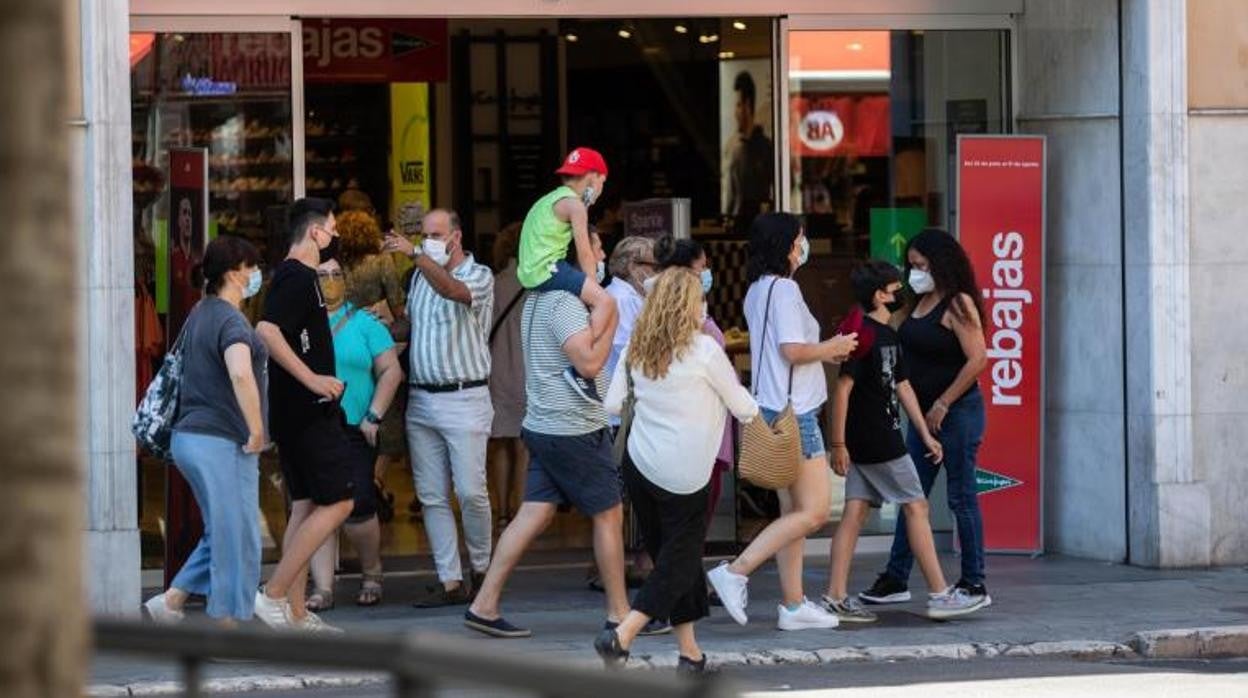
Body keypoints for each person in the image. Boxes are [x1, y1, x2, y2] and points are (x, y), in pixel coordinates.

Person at [465, 228, 628, 638]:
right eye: (596, 246)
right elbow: (589, 364)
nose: (603, 253)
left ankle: (484, 604)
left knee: (533, 513)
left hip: (544, 423)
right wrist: (612, 320)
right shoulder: (566, 305)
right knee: (609, 515)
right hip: (574, 426)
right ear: (579, 259)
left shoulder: (538, 299)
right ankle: (620, 613)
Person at [597, 269, 759, 673]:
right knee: (677, 561)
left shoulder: (637, 345)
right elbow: (742, 406)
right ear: (690, 305)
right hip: (687, 474)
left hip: (641, 467)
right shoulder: (705, 350)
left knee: (674, 560)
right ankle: (623, 634)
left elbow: (613, 404)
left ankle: (690, 655)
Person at [704, 212, 857, 631]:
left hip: (772, 407)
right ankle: (736, 571)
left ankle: (792, 605)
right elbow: (793, 349)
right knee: (815, 512)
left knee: (792, 513)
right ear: (788, 244)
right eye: (800, 237)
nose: (804, 244)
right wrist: (833, 346)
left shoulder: (756, 289)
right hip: (797, 412)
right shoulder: (785, 289)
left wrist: (823, 349)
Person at [821, 261, 985, 623]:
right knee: (917, 506)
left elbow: (902, 385)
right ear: (879, 295)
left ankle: (835, 595)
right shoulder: (864, 336)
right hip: (880, 439)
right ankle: (941, 594)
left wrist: (926, 434)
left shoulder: (886, 334)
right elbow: (843, 389)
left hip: (872, 438)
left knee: (855, 511)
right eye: (895, 290)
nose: (900, 294)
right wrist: (837, 444)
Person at [859, 229, 992, 609]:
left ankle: (974, 583)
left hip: (958, 412)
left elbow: (977, 359)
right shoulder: (916, 303)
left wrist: (944, 403)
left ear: (940, 263)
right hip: (923, 419)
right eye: (912, 266)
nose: (915, 272)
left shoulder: (957, 303)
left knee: (961, 497)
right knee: (912, 497)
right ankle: (896, 577)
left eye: (921, 265)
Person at [143, 236, 267, 626]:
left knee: (230, 529)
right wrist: (258, 428)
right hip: (221, 440)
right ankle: (225, 624)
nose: (255, 275)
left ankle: (173, 601)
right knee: (235, 536)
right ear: (234, 274)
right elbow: (241, 373)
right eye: (251, 268)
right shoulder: (230, 320)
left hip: (192, 438)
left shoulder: (200, 311)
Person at [382, 209, 495, 608]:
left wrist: (415, 253)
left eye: (436, 234)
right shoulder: (418, 279)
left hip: (465, 398)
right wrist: (375, 325)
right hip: (422, 399)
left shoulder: (477, 276)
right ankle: (450, 580)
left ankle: (483, 570)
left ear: (457, 236)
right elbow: (410, 326)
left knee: (469, 492)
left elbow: (452, 291)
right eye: (424, 234)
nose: (429, 239)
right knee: (431, 496)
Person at [253, 197, 355, 633]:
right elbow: (266, 331)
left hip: (299, 412)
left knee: (305, 505)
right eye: (332, 228)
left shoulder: (296, 276)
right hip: (307, 412)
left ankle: (294, 613)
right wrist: (314, 380)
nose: (335, 236)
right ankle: (274, 594)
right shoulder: (296, 276)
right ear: (315, 232)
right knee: (341, 500)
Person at [305, 257, 404, 610]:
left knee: (360, 504)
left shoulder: (365, 323)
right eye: (322, 275)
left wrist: (373, 416)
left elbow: (391, 371)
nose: (330, 281)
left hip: (353, 426)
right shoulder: (301, 323)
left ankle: (371, 572)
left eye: (336, 274)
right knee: (320, 504)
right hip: (311, 426)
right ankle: (322, 588)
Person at [516, 146, 618, 405]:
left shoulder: (549, 199)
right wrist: (593, 288)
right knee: (606, 302)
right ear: (592, 177)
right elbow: (585, 252)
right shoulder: (576, 206)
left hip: (534, 271)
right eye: (602, 183)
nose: (600, 191)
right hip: (547, 268)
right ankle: (581, 368)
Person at [651, 235, 735, 527]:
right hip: (698, 431)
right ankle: (681, 570)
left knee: (675, 521)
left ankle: (673, 568)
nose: (707, 273)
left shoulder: (651, 313)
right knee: (694, 519)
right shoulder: (694, 322)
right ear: (686, 272)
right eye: (702, 267)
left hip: (664, 432)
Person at [335, 208, 409, 518]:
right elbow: (398, 306)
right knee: (386, 419)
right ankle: (374, 481)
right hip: (377, 341)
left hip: (342, 343)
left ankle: (360, 482)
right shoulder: (381, 262)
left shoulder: (334, 268)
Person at [487, 223, 527, 532]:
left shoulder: (492, 285)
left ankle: (500, 512)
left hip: (497, 367)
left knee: (500, 442)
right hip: (529, 370)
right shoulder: (536, 285)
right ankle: (522, 513)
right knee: (524, 445)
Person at [723, 71, 774, 236]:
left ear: (747, 106)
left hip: (761, 226)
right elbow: (731, 195)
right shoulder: (736, 150)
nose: (735, 112)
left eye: (738, 105)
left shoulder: (766, 147)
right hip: (739, 226)